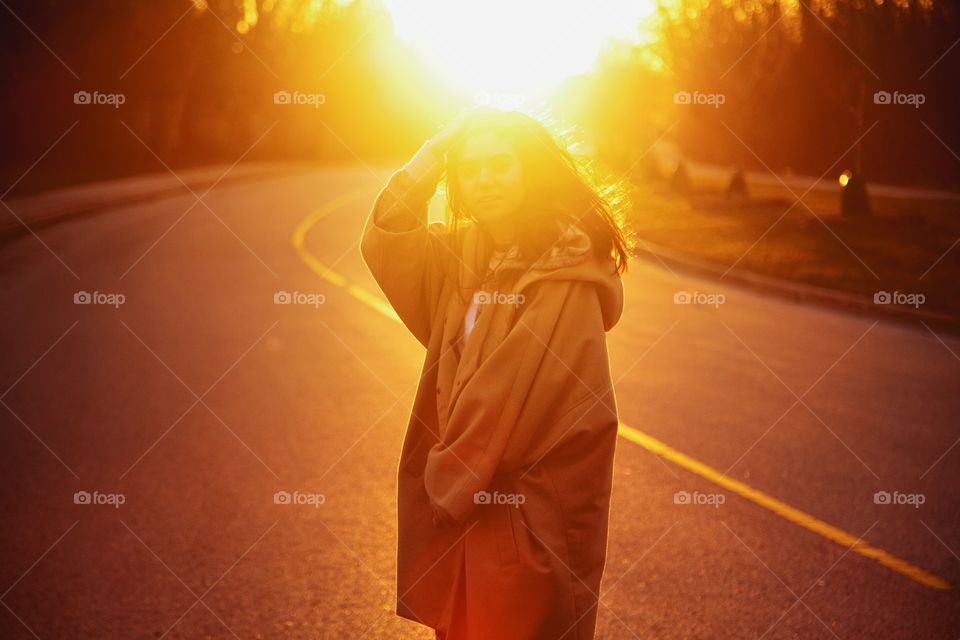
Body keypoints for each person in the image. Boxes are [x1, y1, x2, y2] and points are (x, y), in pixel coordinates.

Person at [359, 107, 631, 639]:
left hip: (525, 517)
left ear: (531, 170)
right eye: (471, 167)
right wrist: (433, 154)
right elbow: (390, 239)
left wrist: (449, 473)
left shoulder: (565, 270)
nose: (485, 180)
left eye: (501, 164)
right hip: (471, 506)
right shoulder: (466, 254)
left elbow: (510, 397)